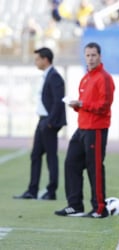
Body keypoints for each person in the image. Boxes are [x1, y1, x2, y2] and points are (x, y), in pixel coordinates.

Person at [55, 42, 115, 218]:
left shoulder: (104, 78)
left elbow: (104, 105)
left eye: (93, 55)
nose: (90, 58)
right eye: (87, 55)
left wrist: (82, 104)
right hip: (82, 128)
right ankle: (75, 205)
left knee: (94, 168)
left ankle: (99, 208)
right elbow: (87, 104)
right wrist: (77, 105)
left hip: (96, 129)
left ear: (100, 56)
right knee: (71, 163)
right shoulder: (86, 77)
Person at [13, 47, 66, 200]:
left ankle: (51, 191)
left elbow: (58, 101)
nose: (35, 62)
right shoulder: (47, 75)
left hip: (48, 122)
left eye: (37, 59)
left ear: (45, 59)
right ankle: (32, 190)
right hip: (42, 120)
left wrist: (50, 122)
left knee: (51, 156)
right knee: (35, 155)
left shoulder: (54, 76)